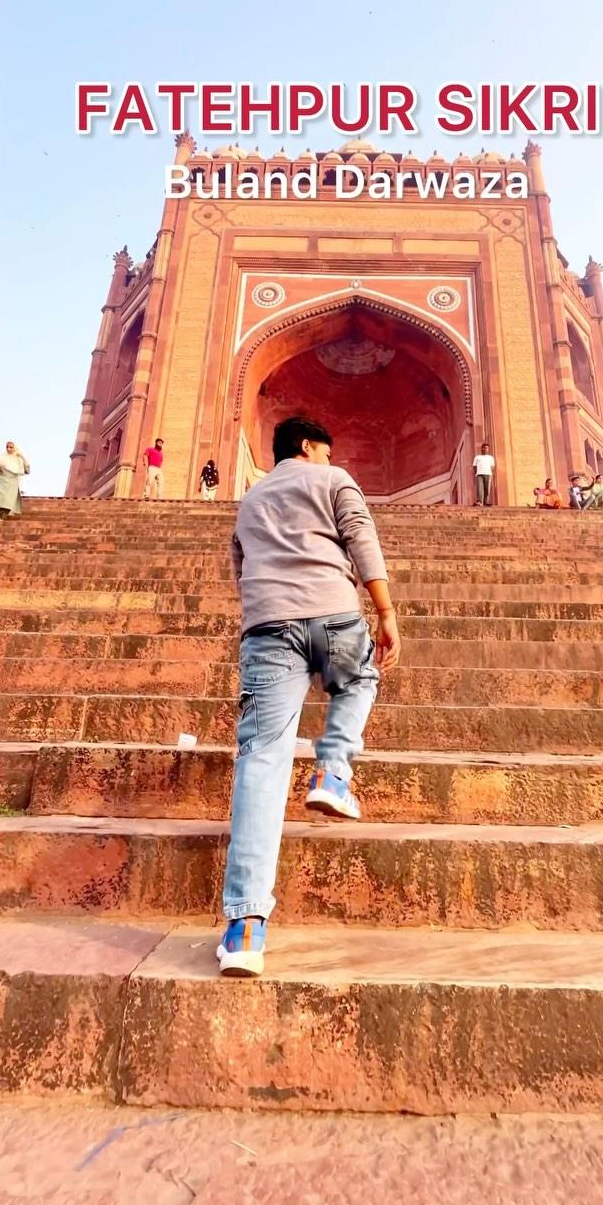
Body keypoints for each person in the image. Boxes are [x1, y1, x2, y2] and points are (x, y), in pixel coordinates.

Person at [218, 416, 401, 978]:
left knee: (262, 761)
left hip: (269, 625)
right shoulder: (332, 479)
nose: (329, 455)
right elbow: (360, 535)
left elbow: (239, 566)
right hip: (334, 611)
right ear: (308, 446)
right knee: (359, 677)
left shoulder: (249, 501)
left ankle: (245, 928)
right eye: (326, 448)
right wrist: (386, 611)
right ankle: (333, 770)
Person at [0, 441, 30, 524]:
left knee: (8, 501)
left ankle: (1, 516)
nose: (8, 449)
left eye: (11, 447)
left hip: (11, 483)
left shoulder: (19, 458)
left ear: (15, 448)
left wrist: (22, 456)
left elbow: (27, 470)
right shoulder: (0, 457)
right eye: (7, 447)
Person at [472, 441, 496, 506]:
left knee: (487, 488)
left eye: (486, 448)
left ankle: (486, 501)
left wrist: (488, 472)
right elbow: (474, 466)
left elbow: (492, 466)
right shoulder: (477, 457)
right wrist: (476, 472)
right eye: (484, 448)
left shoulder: (491, 458)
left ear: (488, 449)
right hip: (479, 474)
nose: (485, 449)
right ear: (481, 449)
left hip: (488, 474)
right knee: (479, 488)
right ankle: (479, 501)